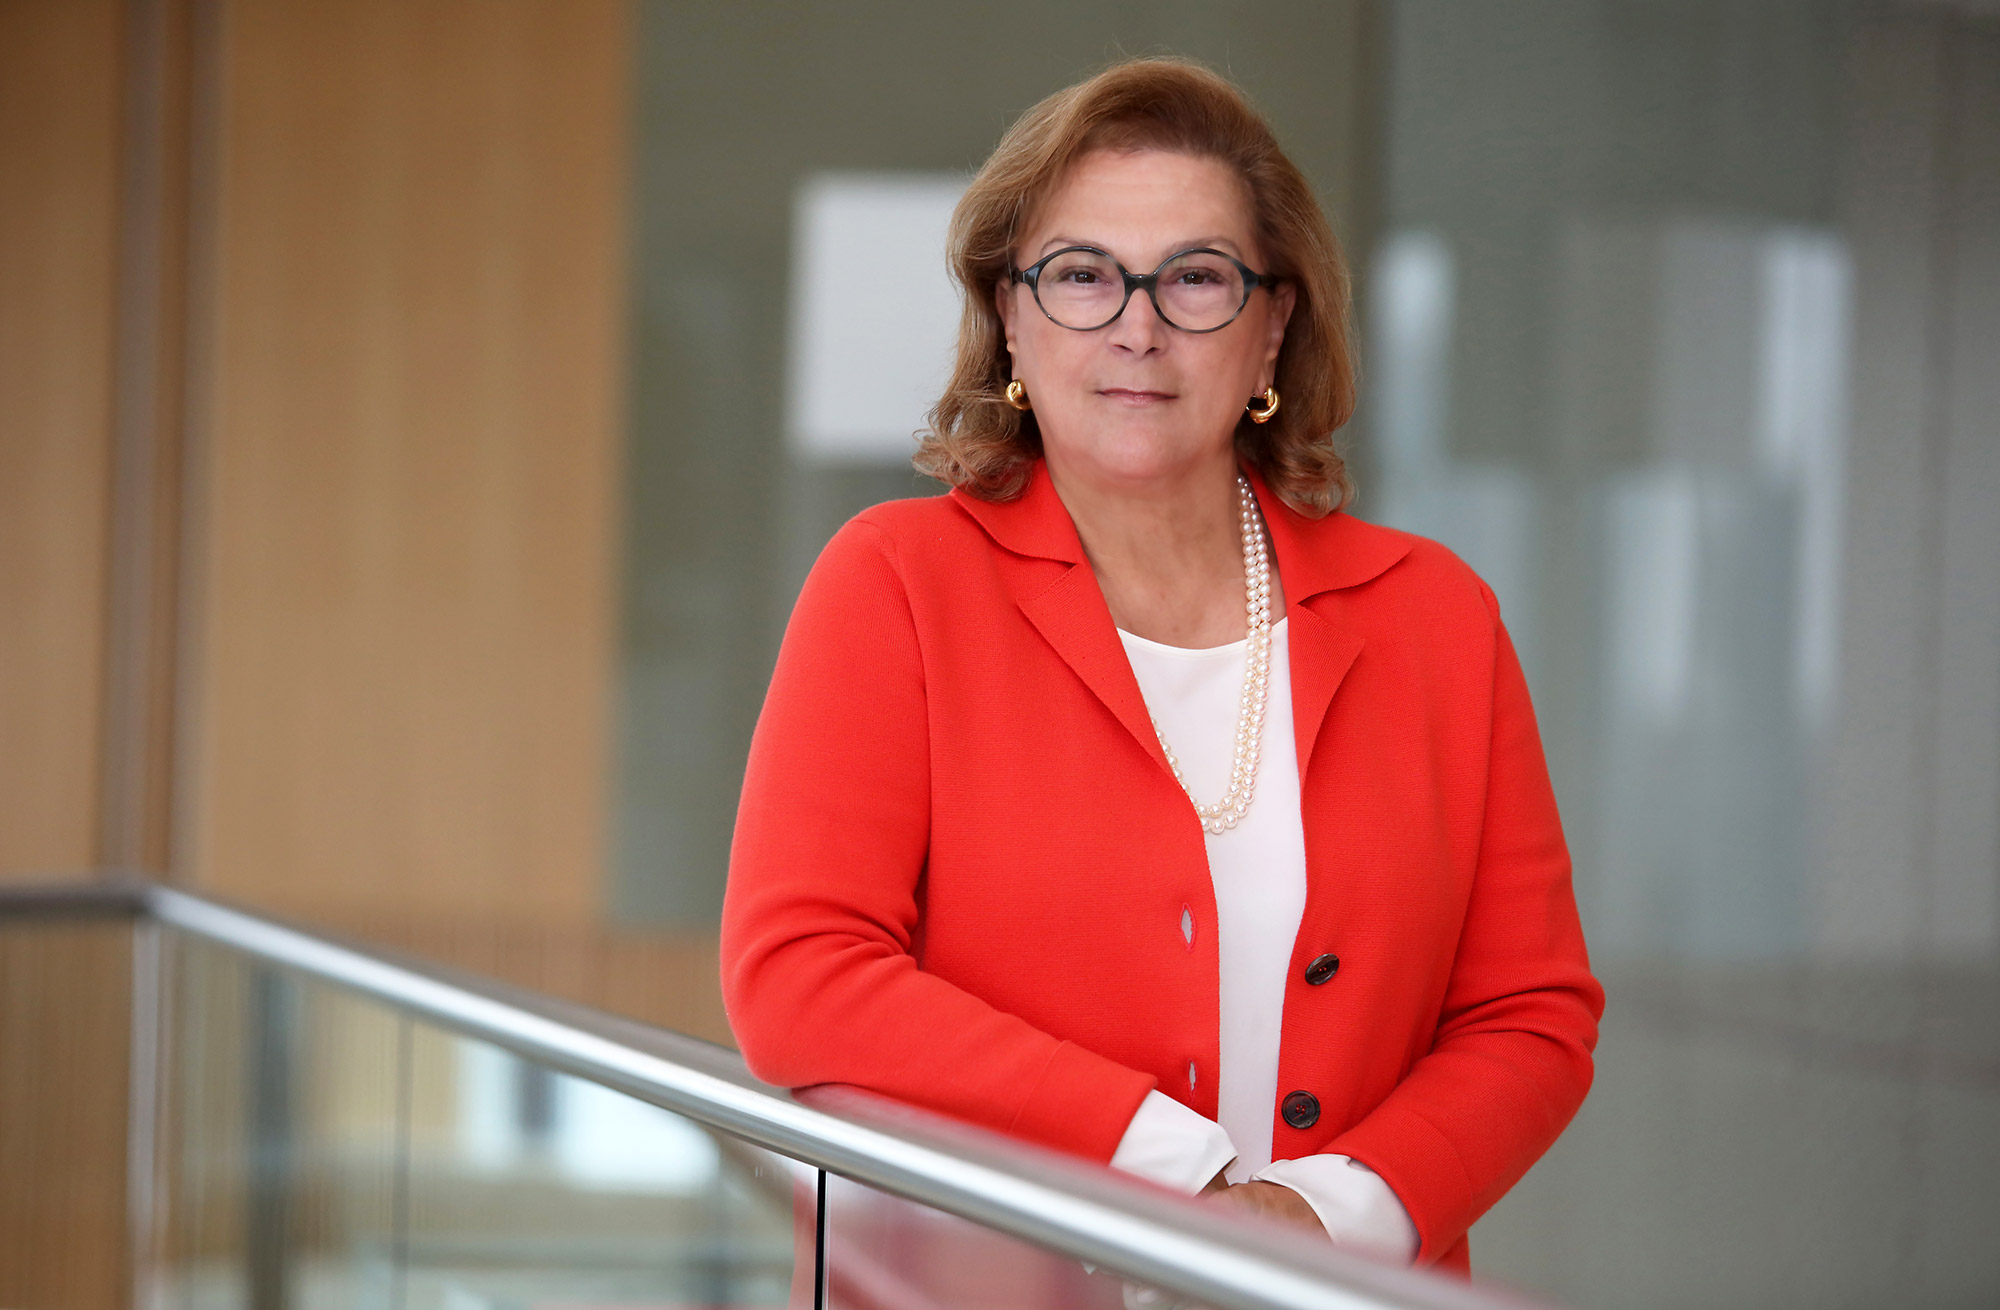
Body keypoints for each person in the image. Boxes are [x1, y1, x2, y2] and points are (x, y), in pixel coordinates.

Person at [720, 57, 1602, 1274]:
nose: (1136, 326)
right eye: (1082, 275)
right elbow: (799, 977)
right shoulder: (896, 584)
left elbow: (1529, 1015)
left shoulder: (1433, 615)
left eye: (1194, 277)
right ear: (1011, 314)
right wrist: (1170, 1172)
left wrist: (1321, 1220)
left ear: (1272, 325)